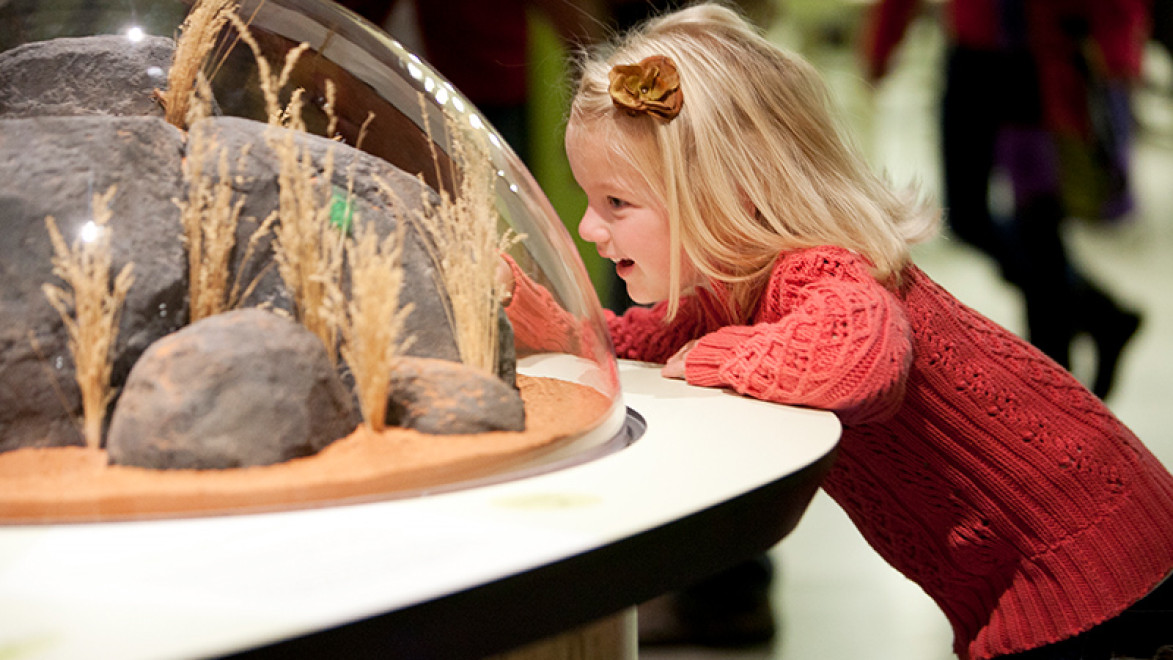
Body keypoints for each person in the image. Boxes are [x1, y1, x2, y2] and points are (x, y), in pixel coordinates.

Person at [499, 4, 1173, 658]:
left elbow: (859, 362)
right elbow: (642, 343)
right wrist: (556, 328)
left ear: (730, 192)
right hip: (1052, 574)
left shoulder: (817, 269)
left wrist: (720, 354)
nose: (589, 228)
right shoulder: (728, 290)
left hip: (1094, 572)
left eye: (615, 202)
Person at [861, 0, 1147, 400]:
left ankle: (1056, 384)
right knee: (966, 219)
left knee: (1039, 227)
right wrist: (883, 43)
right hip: (970, 57)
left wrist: (1117, 56)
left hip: (1040, 60)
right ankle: (1100, 314)